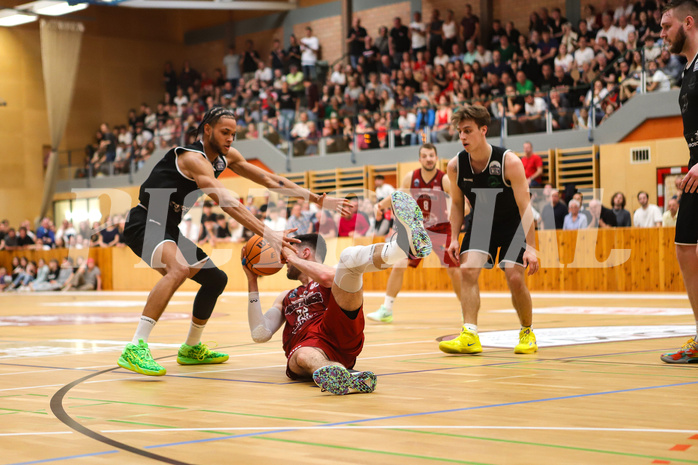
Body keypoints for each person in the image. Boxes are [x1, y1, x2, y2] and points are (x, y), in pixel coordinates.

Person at [119, 106, 350, 376]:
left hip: (168, 227)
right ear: (207, 130)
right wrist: (269, 233)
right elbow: (227, 202)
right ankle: (136, 346)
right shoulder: (193, 158)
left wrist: (318, 199)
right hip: (145, 222)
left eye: (234, 134)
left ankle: (191, 348)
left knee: (215, 279)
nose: (230, 139)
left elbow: (269, 179)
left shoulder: (224, 158)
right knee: (179, 268)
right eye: (224, 132)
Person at [243, 192, 432, 394]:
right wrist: (251, 279)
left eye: (287, 251)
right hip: (308, 349)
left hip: (338, 329)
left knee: (348, 258)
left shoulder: (331, 271)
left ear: (304, 252)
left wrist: (293, 259)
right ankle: (344, 376)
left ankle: (402, 247)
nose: (283, 259)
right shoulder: (286, 296)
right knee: (303, 356)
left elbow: (327, 279)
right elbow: (260, 334)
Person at [439, 105, 539, 355]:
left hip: (512, 223)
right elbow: (457, 204)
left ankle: (527, 332)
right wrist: (453, 238)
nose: (463, 136)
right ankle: (470, 334)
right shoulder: (455, 166)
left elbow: (525, 206)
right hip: (482, 221)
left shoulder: (510, 162)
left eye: (468, 131)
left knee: (515, 277)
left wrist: (532, 247)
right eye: (460, 131)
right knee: (468, 271)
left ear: (483, 130)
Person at [368, 143, 461, 323]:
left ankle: (466, 308)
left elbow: (460, 201)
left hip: (442, 229)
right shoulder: (412, 177)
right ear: (420, 159)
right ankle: (387, 309)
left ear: (436, 158)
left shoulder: (444, 179)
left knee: (455, 271)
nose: (428, 159)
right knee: (399, 263)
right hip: (419, 230)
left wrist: (458, 211)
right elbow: (397, 196)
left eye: (431, 155)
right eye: (425, 156)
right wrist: (379, 205)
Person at [660, 0, 698, 364]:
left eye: (667, 26)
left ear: (688, 22)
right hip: (694, 166)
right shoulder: (688, 70)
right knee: (685, 246)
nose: (662, 33)